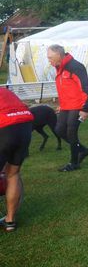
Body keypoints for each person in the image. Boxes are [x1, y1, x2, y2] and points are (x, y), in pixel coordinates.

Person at [47, 44, 88, 172]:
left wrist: (85, 109)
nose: (49, 60)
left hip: (78, 106)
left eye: (50, 58)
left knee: (71, 133)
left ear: (59, 56)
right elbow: (66, 88)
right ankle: (82, 150)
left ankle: (74, 163)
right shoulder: (59, 67)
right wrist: (61, 104)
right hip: (66, 106)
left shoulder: (75, 67)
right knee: (59, 130)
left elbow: (85, 89)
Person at [0, 88, 33, 232]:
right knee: (13, 174)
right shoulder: (5, 91)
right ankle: (10, 221)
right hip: (24, 126)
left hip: (5, 126)